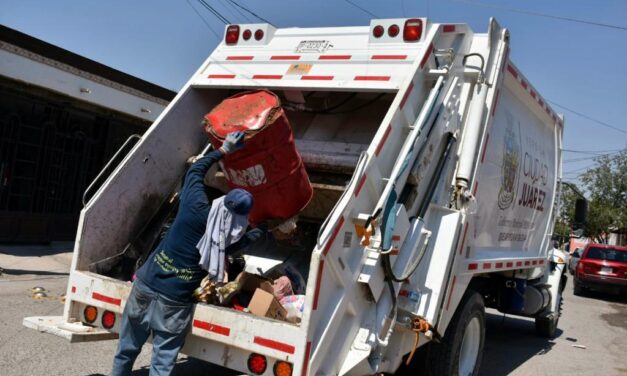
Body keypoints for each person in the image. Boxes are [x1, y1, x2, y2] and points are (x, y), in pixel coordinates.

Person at [111, 131, 263, 376]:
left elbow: (194, 172)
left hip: (145, 285)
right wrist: (270, 225)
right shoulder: (224, 242)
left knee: (126, 351)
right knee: (161, 365)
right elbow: (249, 238)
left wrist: (224, 150)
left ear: (223, 201)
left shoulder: (193, 205)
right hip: (175, 302)